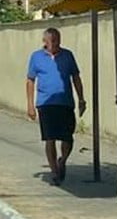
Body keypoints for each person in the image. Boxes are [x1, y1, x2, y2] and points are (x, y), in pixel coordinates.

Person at [26, 27, 86, 186]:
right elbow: (30, 80)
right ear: (44, 41)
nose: (54, 44)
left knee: (67, 138)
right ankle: (54, 171)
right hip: (45, 103)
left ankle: (62, 161)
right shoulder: (36, 57)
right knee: (50, 138)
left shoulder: (67, 55)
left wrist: (81, 99)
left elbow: (76, 77)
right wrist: (30, 105)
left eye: (57, 40)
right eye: (51, 41)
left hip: (65, 102)